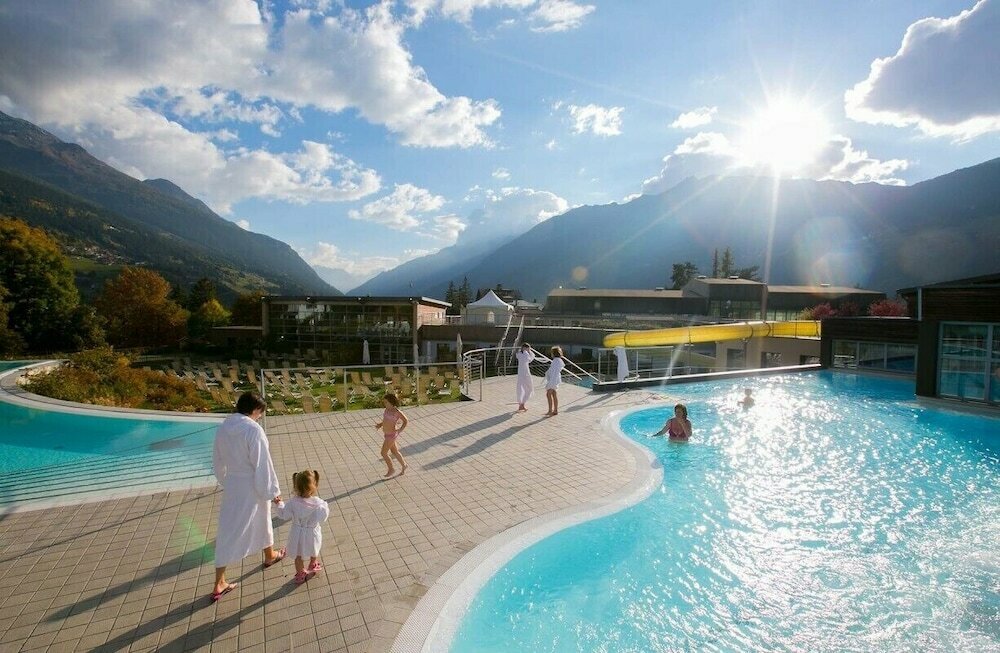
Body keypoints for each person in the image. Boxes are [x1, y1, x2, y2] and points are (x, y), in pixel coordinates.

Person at [211, 391, 285, 601]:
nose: (260, 416)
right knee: (233, 531)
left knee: (248, 523)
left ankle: (269, 555)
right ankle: (219, 583)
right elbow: (263, 463)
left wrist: (226, 480)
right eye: (260, 412)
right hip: (252, 483)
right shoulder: (253, 430)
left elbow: (217, 459)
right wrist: (273, 492)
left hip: (234, 483)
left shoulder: (224, 427)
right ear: (254, 410)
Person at [273, 470, 330, 585]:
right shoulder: (319, 504)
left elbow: (283, 514)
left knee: (298, 555)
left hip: (297, 533)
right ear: (314, 486)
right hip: (312, 533)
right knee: (314, 549)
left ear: (296, 487)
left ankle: (300, 574)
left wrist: (279, 504)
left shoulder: (293, 503)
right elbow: (323, 517)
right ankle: (313, 564)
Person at [375, 393, 408, 477]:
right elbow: (386, 420)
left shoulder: (397, 412)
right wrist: (380, 424)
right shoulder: (386, 410)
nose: (384, 404)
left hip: (392, 435)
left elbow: (405, 421)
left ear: (391, 402)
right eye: (384, 402)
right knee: (394, 451)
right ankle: (404, 465)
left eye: (386, 402)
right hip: (386, 434)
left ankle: (391, 469)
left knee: (383, 453)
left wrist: (400, 430)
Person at [545, 346, 565, 416]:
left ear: (554, 353)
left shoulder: (556, 361)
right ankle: (555, 410)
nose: (551, 354)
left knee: (548, 394)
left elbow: (553, 372)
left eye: (552, 352)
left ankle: (550, 410)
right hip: (555, 379)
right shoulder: (558, 360)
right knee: (554, 394)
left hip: (553, 380)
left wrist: (550, 382)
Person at [515, 342, 535, 411]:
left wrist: (526, 351)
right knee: (529, 389)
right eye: (528, 348)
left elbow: (528, 359)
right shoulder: (525, 354)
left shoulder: (519, 354)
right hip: (525, 374)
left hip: (521, 374)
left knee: (521, 389)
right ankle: (522, 404)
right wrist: (529, 351)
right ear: (525, 348)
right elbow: (530, 359)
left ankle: (521, 404)